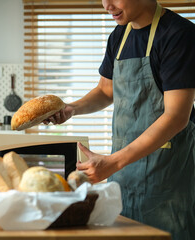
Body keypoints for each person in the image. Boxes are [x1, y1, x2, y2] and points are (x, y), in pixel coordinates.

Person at [44, 0, 195, 239]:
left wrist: (113, 162)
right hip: (124, 178)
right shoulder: (119, 36)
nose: (106, 5)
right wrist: (71, 108)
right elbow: (105, 91)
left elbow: (176, 117)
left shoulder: (178, 35)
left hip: (166, 181)